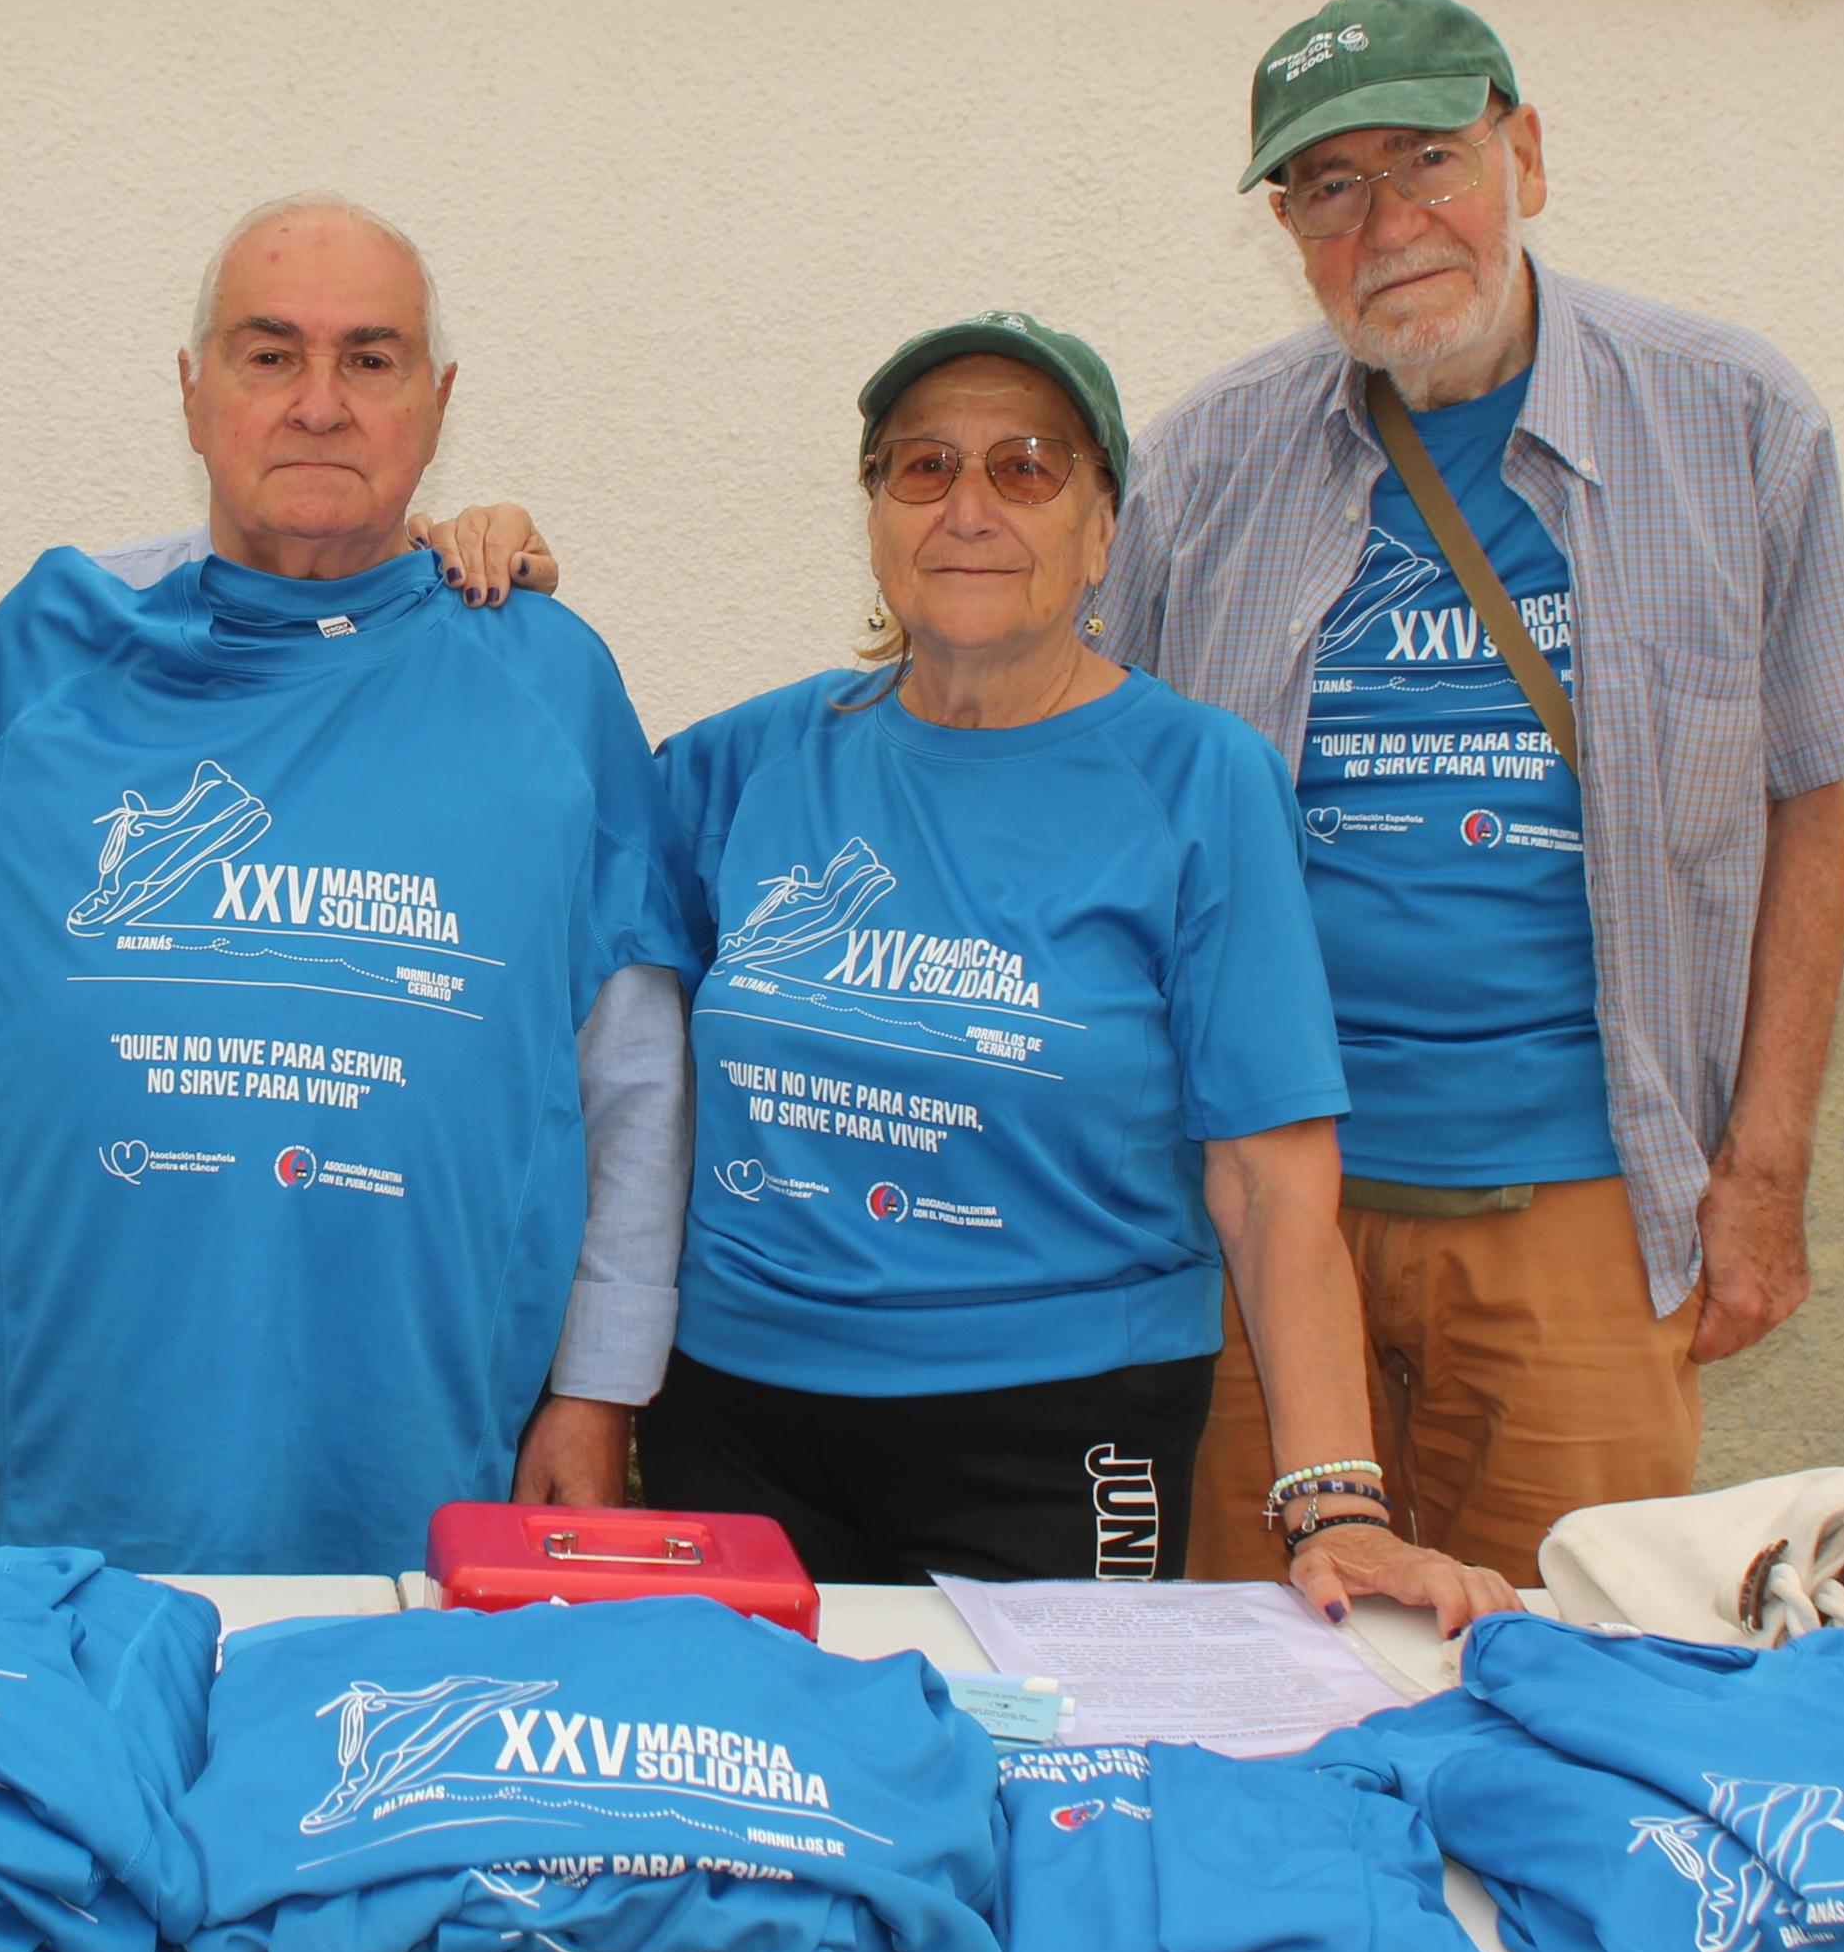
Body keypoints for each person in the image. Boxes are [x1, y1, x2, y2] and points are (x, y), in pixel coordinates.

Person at [1104, 0, 1844, 1585]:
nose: (1392, 225)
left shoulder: (1734, 423)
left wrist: (1762, 1173)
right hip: (1261, 1226)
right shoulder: (1203, 466)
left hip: (1584, 1220)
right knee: (1274, 1698)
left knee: (1561, 1682)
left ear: (1524, 154)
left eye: (1428, 159)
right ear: (1288, 226)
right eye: (1332, 187)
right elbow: (1099, 797)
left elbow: (1807, 804)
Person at [0, 196, 695, 1574]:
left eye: (370, 358)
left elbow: (634, 1081)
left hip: (427, 1450)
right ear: (191, 393)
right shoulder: (47, 651)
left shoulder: (548, 684)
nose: (320, 404)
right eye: (268, 354)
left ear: (437, 401)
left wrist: (598, 1391)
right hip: (62, 1449)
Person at [640, 315, 1511, 1626]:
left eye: (1028, 466)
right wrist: (447, 581)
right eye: (922, 467)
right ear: (876, 515)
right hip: (735, 1423)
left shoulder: (1199, 781)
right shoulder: (747, 760)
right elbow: (565, 969)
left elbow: (1272, 1187)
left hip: (1052, 1438)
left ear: (1106, 528)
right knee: (749, 1806)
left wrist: (1338, 1508)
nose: (969, 507)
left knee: (1031, 1807)